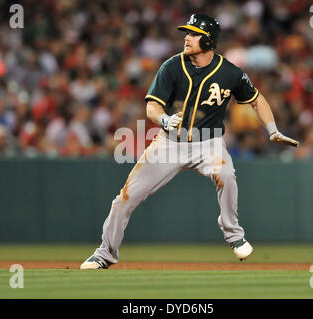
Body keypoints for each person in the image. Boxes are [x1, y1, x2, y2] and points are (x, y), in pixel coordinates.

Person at [80, 14, 299, 269]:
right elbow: (152, 107)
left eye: (194, 34)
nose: (187, 37)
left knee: (226, 174)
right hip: (170, 143)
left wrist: (272, 129)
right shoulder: (171, 67)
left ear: (208, 41)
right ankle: (104, 254)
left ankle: (234, 235)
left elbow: (256, 99)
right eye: (187, 32)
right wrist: (163, 120)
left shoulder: (230, 72)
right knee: (125, 198)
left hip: (209, 143)